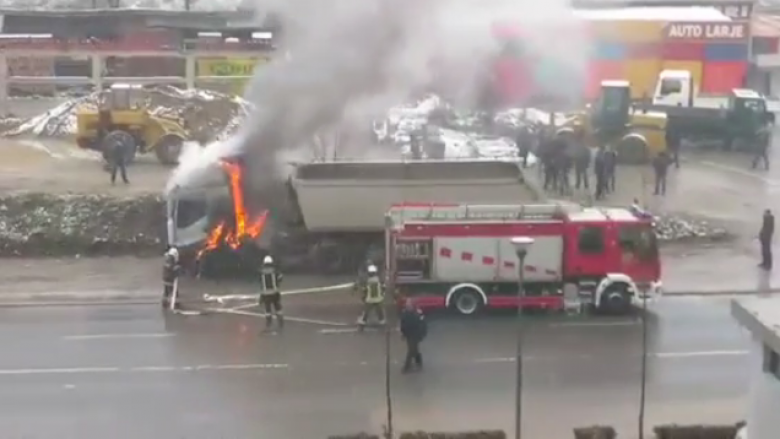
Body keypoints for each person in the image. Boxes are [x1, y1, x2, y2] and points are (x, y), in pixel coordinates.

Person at [399, 298, 427, 373]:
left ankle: (406, 367)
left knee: (411, 350)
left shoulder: (418, 313)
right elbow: (403, 324)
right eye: (407, 304)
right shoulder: (404, 312)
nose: (407, 305)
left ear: (413, 305)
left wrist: (422, 334)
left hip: (416, 334)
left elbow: (423, 325)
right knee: (414, 349)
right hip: (408, 334)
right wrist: (403, 333)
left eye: (409, 304)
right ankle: (418, 360)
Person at [260, 255, 284, 331]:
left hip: (266, 294)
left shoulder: (261, 272)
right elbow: (280, 277)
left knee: (268, 310)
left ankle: (268, 323)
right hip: (275, 293)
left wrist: (261, 297)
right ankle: (280, 322)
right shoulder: (275, 271)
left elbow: (260, 282)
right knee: (278, 308)